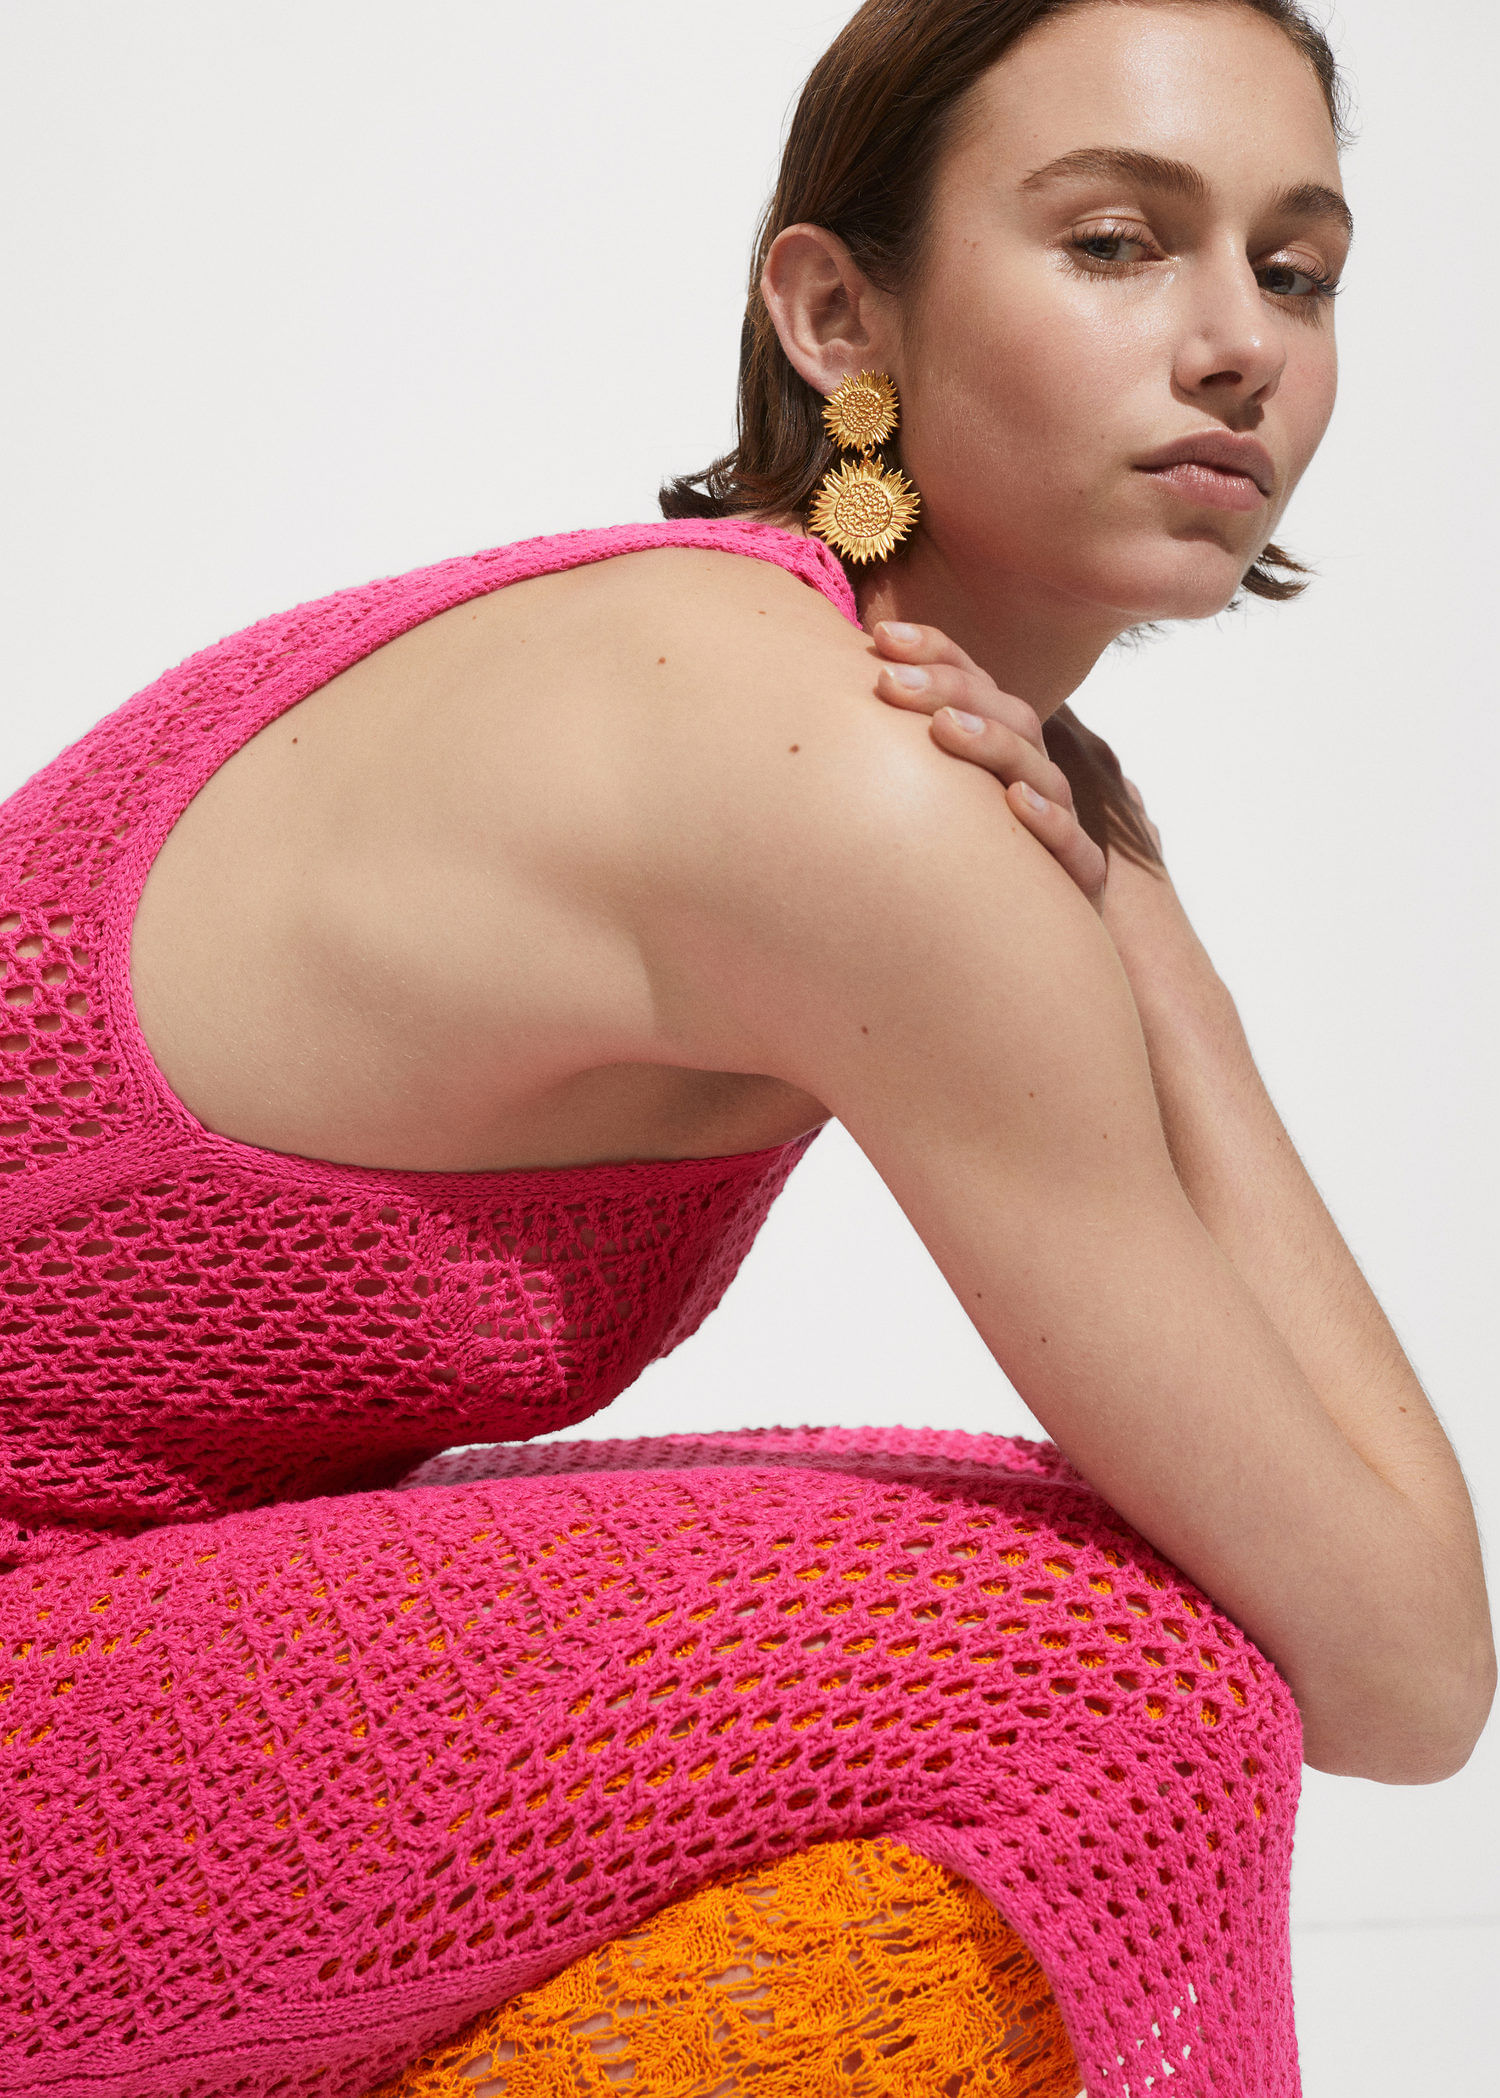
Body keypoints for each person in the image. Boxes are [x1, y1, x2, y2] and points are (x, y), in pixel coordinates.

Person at [0, 2, 1491, 2095]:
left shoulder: (778, 673)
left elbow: (1406, 1654)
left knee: (1106, 1605)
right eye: (1114, 242)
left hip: (108, 1617)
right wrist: (1145, 942)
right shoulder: (839, 777)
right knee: (1129, 1677)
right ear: (834, 313)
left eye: (1298, 268)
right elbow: (1404, 1667)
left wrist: (1151, 935)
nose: (1239, 342)